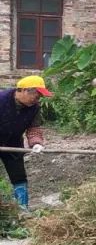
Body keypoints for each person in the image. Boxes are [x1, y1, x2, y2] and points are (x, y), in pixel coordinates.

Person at [0, 76, 52, 210]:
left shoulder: (34, 108)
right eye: (36, 95)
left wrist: (36, 143)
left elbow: (33, 128)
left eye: (40, 96)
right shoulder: (2, 99)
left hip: (13, 144)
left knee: (19, 177)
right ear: (24, 91)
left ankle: (22, 209)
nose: (38, 99)